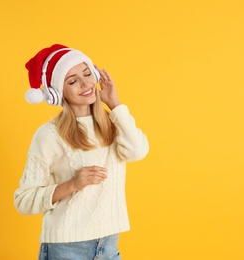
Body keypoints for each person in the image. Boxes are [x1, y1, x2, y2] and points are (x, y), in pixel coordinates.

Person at [14, 44, 149, 260]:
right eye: (72, 81)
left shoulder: (113, 123)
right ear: (58, 92)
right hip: (66, 249)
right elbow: (24, 200)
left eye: (87, 74)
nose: (85, 84)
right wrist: (73, 184)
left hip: (109, 244)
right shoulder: (49, 135)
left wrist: (114, 104)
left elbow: (138, 151)